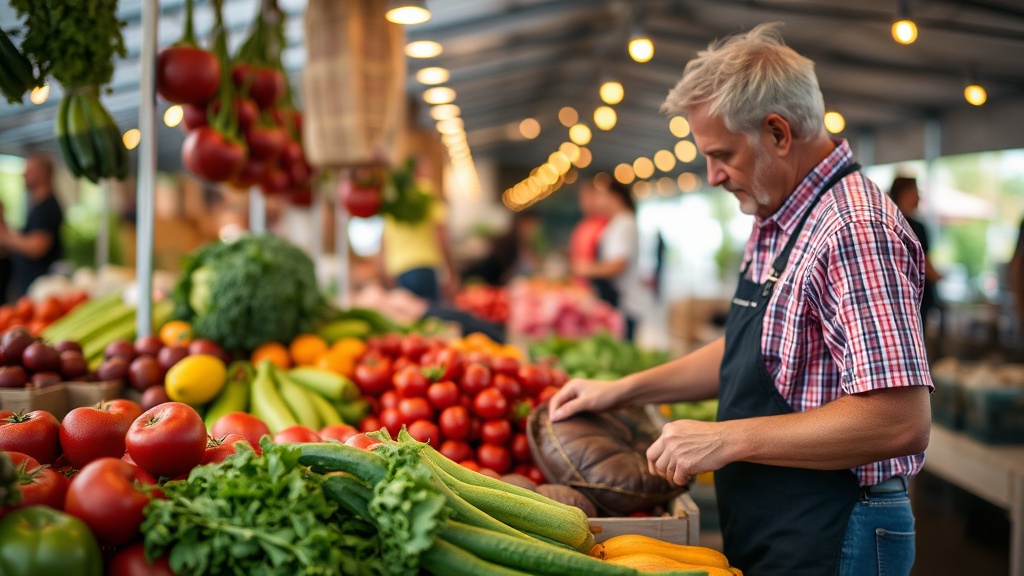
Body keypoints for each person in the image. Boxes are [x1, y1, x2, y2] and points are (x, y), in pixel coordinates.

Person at [550, 23, 932, 576]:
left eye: (721, 154)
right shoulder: (777, 214)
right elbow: (748, 353)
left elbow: (900, 420)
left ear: (778, 133)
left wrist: (726, 438)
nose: (711, 175)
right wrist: (623, 390)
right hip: (779, 513)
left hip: (834, 525)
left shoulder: (854, 228)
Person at [572, 176, 645, 341]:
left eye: (601, 196)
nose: (598, 201)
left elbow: (618, 265)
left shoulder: (625, 224)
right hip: (618, 301)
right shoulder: (617, 223)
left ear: (615, 197)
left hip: (626, 303)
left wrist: (586, 268)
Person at [378, 159, 457, 303]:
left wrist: (383, 270)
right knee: (429, 317)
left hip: (398, 270)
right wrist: (451, 271)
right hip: (423, 267)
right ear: (418, 171)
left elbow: (383, 239)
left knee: (407, 319)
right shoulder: (426, 192)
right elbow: (440, 233)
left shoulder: (394, 198)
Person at [0, 152, 64, 300]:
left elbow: (37, 247)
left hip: (39, 289)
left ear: (43, 173)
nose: (24, 174)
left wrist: (5, 237)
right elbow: (29, 237)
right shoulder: (38, 206)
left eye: (29, 170)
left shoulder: (47, 207)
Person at [890, 176, 943, 324]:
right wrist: (939, 276)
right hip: (916, 297)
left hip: (894, 295)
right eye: (916, 191)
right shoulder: (916, 227)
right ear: (905, 193)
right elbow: (925, 264)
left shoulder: (887, 223)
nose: (919, 196)